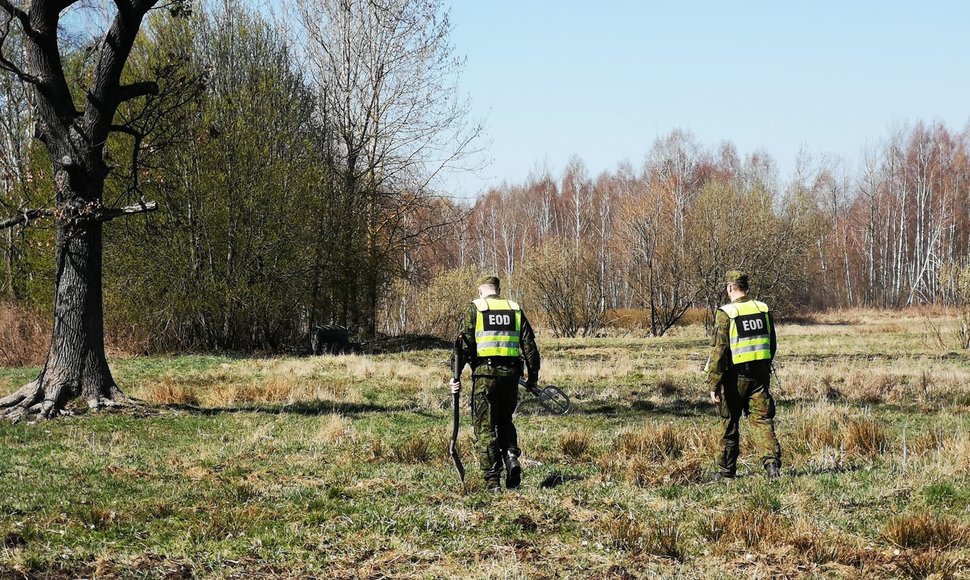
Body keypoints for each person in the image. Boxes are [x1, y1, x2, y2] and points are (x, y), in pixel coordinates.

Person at [450, 275, 540, 492]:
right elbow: (529, 346)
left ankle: (492, 481)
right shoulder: (514, 308)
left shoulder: (477, 308)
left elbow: (463, 345)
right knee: (505, 420)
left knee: (485, 427)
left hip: (485, 377)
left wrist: (455, 376)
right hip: (510, 377)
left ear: (481, 290)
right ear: (498, 290)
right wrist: (532, 377)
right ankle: (510, 455)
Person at [706, 270, 782, 480]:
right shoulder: (762, 309)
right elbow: (772, 343)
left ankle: (726, 471)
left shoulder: (727, 313)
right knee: (762, 420)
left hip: (734, 378)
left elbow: (719, 351)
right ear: (746, 287)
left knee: (729, 421)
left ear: (730, 287)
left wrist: (714, 383)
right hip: (760, 375)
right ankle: (771, 465)